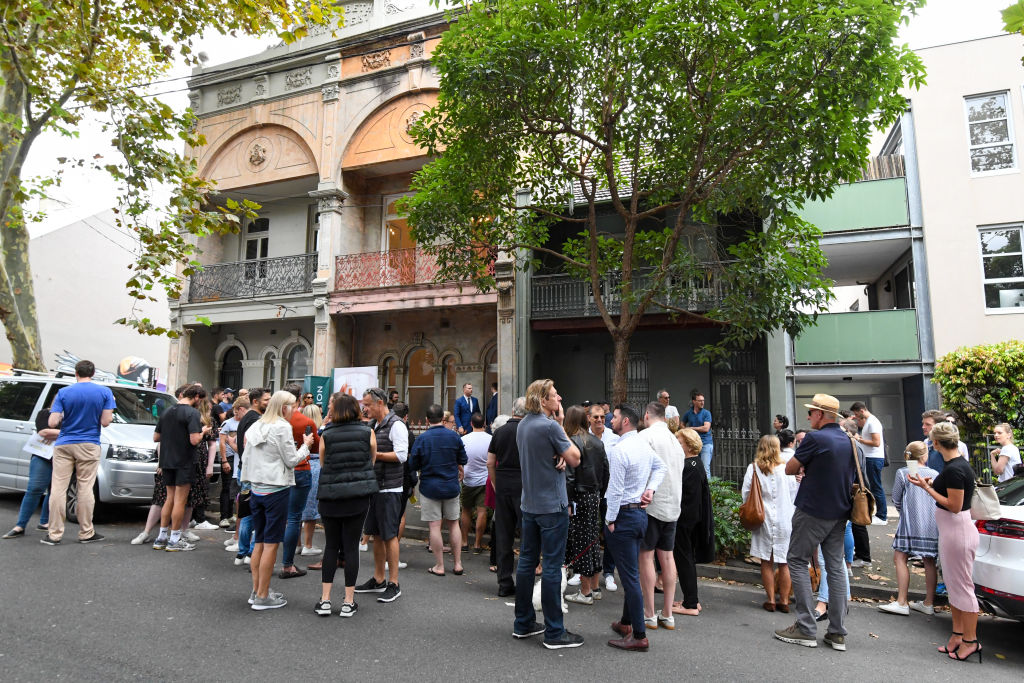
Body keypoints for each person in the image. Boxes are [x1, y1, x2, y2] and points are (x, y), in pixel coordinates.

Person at [774, 394, 854, 651]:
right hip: (841, 511)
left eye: (810, 413)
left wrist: (804, 467)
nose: (808, 417)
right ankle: (837, 632)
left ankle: (806, 628)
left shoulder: (815, 438)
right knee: (835, 567)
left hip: (813, 510)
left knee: (796, 560)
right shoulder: (849, 439)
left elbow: (789, 468)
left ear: (820, 414)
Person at [512, 379, 582, 649]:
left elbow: (552, 454)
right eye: (555, 396)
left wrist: (559, 449)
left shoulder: (523, 425)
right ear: (543, 401)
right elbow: (575, 457)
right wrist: (561, 422)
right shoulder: (550, 426)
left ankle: (524, 622)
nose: (559, 398)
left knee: (528, 562)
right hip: (552, 506)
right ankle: (555, 632)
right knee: (552, 566)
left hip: (529, 504)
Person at [907, 422, 981, 662]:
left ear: (936, 443)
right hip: (953, 533)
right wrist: (927, 485)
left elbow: (954, 505)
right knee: (955, 587)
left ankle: (970, 640)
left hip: (957, 533)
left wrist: (927, 490)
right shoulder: (955, 466)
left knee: (963, 588)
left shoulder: (955, 469)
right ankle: (958, 635)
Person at [240, 390, 314, 610]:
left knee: (260, 542)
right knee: (271, 544)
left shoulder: (257, 425)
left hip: (256, 488)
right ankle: (263, 596)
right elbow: (292, 460)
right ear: (284, 407)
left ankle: (257, 591)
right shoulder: (282, 427)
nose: (295, 409)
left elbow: (246, 456)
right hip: (276, 489)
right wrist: (306, 445)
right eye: (293, 406)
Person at [604, 404, 667, 652]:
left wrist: (609, 520)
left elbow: (616, 489)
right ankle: (626, 622)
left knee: (630, 577)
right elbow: (660, 467)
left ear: (626, 421)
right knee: (633, 573)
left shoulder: (620, 450)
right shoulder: (642, 444)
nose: (611, 420)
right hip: (640, 516)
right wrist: (651, 488)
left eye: (615, 417)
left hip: (624, 516)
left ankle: (639, 635)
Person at [314, 393, 378, 618]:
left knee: (331, 546)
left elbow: (323, 463)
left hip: (331, 494)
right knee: (351, 547)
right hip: (357, 495)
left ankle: (325, 599)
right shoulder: (367, 432)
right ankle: (349, 601)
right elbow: (372, 460)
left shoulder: (327, 434)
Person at [41, 361, 115, 545]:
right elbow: (106, 421)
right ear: (94, 373)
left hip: (64, 443)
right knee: (85, 488)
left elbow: (52, 422)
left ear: (76, 373)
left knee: (58, 488)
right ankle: (86, 532)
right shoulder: (105, 392)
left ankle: (54, 534)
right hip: (89, 443)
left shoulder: (64, 393)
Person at [355, 387, 408, 604]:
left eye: (367, 404)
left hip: (390, 488)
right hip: (374, 486)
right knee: (376, 534)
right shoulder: (372, 425)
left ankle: (393, 583)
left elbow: (402, 455)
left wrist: (375, 455)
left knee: (389, 535)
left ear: (379, 403)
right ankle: (378, 579)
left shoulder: (396, 425)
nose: (364, 408)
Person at [637, 401, 684, 630]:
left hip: (651, 504)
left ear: (647, 415)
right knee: (667, 556)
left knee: (646, 556)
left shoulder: (646, 437)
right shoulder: (676, 440)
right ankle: (667, 613)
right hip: (673, 504)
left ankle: (648, 612)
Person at [878, 441, 938, 617]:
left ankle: (902, 601)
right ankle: (929, 602)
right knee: (929, 561)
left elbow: (896, 498)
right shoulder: (934, 473)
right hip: (931, 523)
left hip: (910, 521)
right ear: (925, 455)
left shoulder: (903, 473)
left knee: (900, 557)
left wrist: (903, 511)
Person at [409, 403, 467, 577]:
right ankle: (457, 564)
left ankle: (439, 565)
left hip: (429, 486)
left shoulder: (422, 439)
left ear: (427, 420)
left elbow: (413, 463)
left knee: (434, 526)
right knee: (453, 523)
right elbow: (463, 458)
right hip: (451, 485)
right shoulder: (454, 437)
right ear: (443, 418)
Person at [151, 384, 208, 552]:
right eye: (201, 400)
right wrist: (203, 432)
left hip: (167, 460)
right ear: (196, 396)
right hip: (184, 461)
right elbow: (194, 440)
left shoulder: (167, 411)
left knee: (169, 498)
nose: (200, 404)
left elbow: (156, 437)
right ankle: (175, 539)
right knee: (180, 501)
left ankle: (161, 537)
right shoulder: (192, 413)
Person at [742, 435, 795, 613]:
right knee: (784, 561)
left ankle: (771, 599)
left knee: (766, 561)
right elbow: (793, 493)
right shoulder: (786, 467)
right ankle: (785, 601)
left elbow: (746, 493)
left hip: (762, 518)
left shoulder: (754, 468)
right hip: (784, 518)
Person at [562, 405, 606, 605]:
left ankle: (585, 591)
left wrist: (569, 502)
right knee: (592, 541)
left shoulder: (572, 442)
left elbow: (569, 477)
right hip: (594, 495)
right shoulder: (597, 442)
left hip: (579, 497)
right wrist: (600, 493)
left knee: (581, 543)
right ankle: (595, 588)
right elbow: (606, 470)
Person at [278, 383, 321, 579]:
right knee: (294, 517)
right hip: (300, 469)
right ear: (300, 397)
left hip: (277, 471)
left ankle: (260, 560)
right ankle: (288, 564)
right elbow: (314, 450)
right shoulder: (305, 422)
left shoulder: (272, 420)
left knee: (275, 516)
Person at [672, 428, 714, 616]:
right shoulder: (696, 464)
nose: (677, 446)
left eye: (679, 443)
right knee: (685, 560)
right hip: (690, 519)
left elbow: (687, 498)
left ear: (688, 445)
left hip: (685, 521)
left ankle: (690, 603)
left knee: (684, 560)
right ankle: (691, 600)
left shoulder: (690, 465)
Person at [3, 403, 59, 539]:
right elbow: (44, 432)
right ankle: (20, 525)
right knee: (35, 488)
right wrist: (70, 433)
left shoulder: (72, 416)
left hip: (63, 457)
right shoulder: (45, 413)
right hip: (43, 455)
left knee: (56, 491)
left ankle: (45, 522)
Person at [488, 397, 525, 597]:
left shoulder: (500, 432)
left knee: (504, 537)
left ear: (513, 411)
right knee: (527, 535)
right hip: (524, 485)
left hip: (503, 484)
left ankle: (504, 583)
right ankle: (524, 581)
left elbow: (490, 462)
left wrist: (495, 483)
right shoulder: (528, 431)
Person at [588, 403, 620, 592]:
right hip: (590, 492)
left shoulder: (614, 439)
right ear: (589, 419)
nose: (599, 420)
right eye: (595, 417)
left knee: (609, 534)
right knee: (588, 533)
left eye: (602, 417)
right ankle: (583, 572)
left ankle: (608, 573)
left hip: (609, 494)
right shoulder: (583, 438)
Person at [850, 401, 886, 525]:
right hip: (871, 457)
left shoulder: (873, 422)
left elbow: (876, 442)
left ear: (862, 411)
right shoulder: (869, 421)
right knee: (874, 485)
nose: (856, 416)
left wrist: (860, 439)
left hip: (874, 457)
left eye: (856, 414)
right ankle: (880, 514)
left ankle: (882, 516)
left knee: (876, 486)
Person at [460, 412, 492, 553]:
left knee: (466, 510)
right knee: (482, 511)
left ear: (471, 424)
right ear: (484, 424)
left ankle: (464, 542)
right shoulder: (491, 439)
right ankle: (478, 544)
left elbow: (459, 459)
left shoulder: (464, 439)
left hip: (468, 479)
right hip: (484, 480)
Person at [217, 397, 249, 531]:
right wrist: (224, 460)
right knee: (228, 488)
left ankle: (236, 519)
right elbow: (222, 443)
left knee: (238, 490)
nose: (236, 416)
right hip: (231, 458)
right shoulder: (227, 424)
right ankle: (226, 516)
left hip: (240, 460)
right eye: (234, 413)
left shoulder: (247, 423)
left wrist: (232, 442)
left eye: (237, 412)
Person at [300, 403, 325, 560]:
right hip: (314, 465)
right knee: (310, 507)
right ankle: (307, 545)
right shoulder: (319, 432)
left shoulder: (298, 429)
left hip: (298, 464)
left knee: (296, 508)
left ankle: (296, 544)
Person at [682, 391, 713, 478]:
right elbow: (682, 423)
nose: (702, 402)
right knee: (694, 468)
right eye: (699, 400)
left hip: (705, 443)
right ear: (694, 401)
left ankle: (708, 490)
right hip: (693, 444)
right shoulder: (689, 413)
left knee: (705, 468)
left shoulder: (706, 413)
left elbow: (706, 428)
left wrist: (691, 429)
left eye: (703, 400)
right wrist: (684, 430)